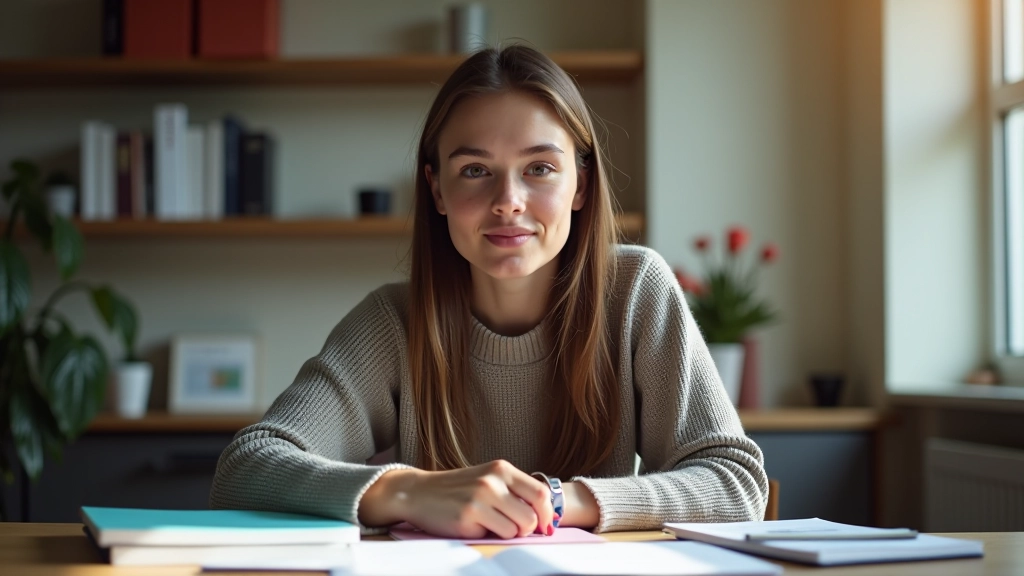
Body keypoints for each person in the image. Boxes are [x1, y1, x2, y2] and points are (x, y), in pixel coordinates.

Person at [210, 44, 768, 539]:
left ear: (581, 183)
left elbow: (738, 484)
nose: (509, 201)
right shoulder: (393, 321)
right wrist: (407, 493)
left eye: (540, 168)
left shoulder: (636, 292)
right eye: (475, 170)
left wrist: (557, 501)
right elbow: (246, 469)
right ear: (437, 190)